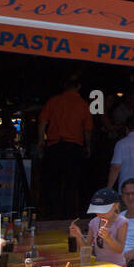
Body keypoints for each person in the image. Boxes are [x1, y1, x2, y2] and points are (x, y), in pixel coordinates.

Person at [37, 76, 94, 219]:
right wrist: (88, 146)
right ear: (79, 86)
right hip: (74, 147)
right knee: (71, 181)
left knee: (52, 181)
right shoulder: (83, 104)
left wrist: (40, 141)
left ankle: (51, 212)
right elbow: (87, 129)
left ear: (64, 85)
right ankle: (67, 214)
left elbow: (42, 122)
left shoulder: (54, 101)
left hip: (54, 145)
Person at [69, 187, 128, 265]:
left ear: (116, 206)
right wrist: (78, 236)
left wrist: (108, 238)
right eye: (97, 211)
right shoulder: (94, 222)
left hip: (117, 266)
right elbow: (87, 247)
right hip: (99, 265)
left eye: (103, 210)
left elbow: (119, 249)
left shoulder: (121, 222)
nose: (100, 214)